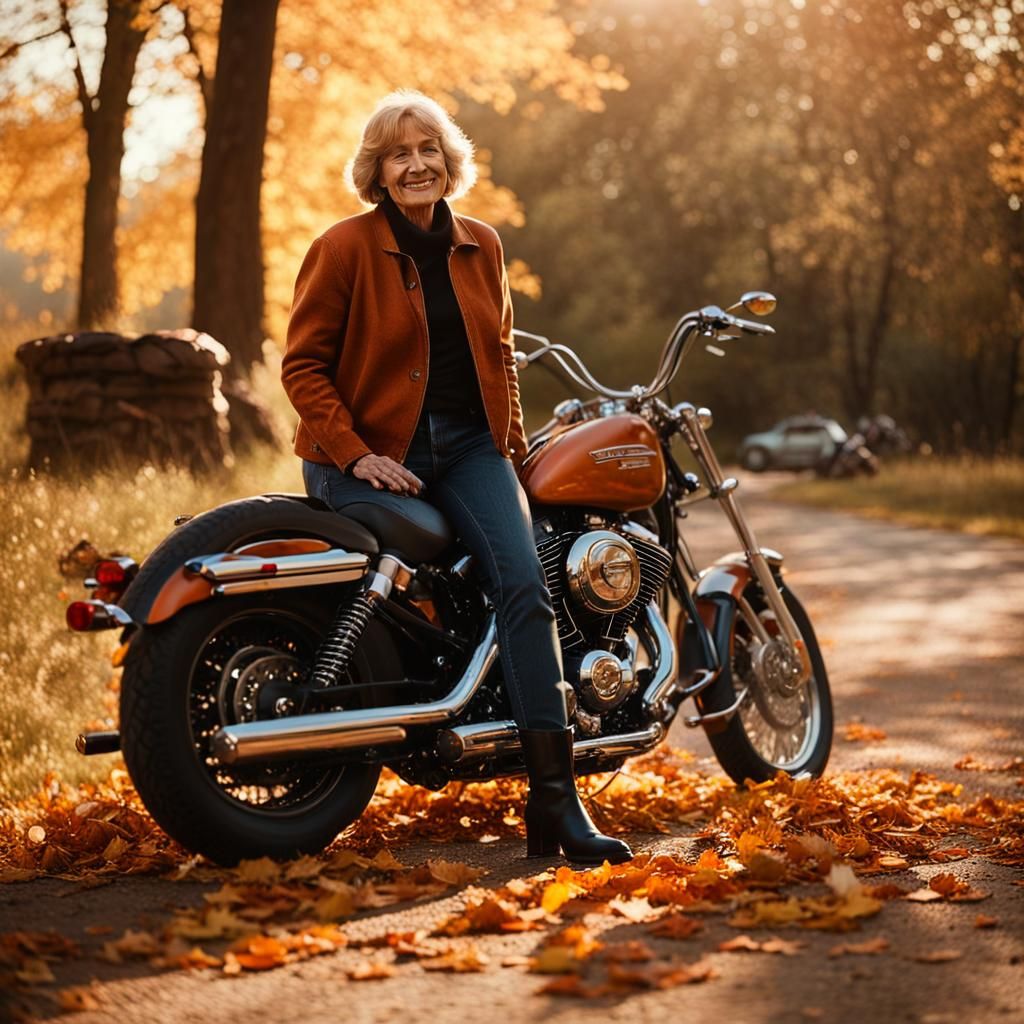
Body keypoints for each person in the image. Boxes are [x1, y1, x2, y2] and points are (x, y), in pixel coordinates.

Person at [281, 90, 630, 865]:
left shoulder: (483, 245)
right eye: (397, 154)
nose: (416, 165)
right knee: (423, 564)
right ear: (376, 172)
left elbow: (501, 355)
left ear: (449, 159)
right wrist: (354, 453)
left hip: (470, 451)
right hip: (367, 455)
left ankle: (555, 801)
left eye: (428, 149)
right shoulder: (342, 248)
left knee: (525, 585)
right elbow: (303, 366)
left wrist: (511, 452)